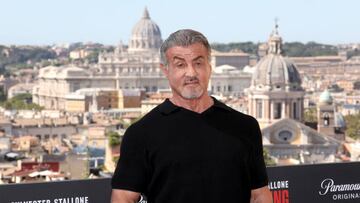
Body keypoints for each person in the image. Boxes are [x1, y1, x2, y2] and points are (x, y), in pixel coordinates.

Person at [111, 29, 272, 203]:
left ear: (209, 67)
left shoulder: (245, 126)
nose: (191, 73)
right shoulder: (141, 133)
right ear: (165, 70)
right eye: (180, 65)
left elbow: (259, 195)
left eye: (198, 63)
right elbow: (123, 198)